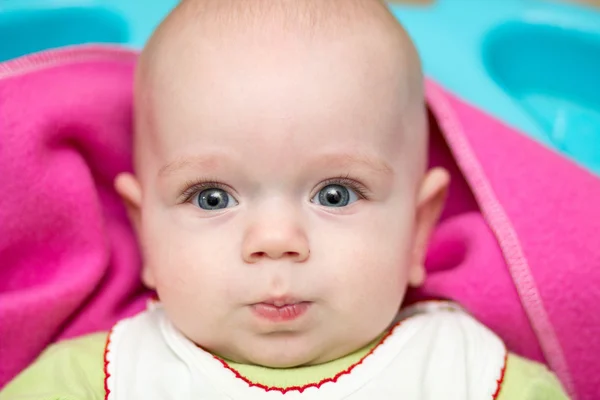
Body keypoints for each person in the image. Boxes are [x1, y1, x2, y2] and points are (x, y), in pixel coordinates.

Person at [0, 0, 569, 398]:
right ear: (146, 229)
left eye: (336, 193)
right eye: (213, 198)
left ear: (418, 229)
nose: (275, 241)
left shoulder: (471, 375)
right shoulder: (99, 378)